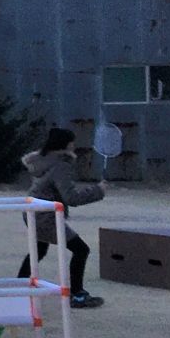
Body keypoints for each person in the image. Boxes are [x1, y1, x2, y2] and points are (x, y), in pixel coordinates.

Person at [19, 126, 104, 308]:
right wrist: (98, 190)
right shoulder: (61, 165)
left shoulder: (41, 161)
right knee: (81, 249)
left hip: (33, 211)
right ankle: (77, 294)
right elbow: (71, 197)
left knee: (39, 250)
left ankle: (18, 289)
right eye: (72, 142)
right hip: (46, 215)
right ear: (65, 144)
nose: (74, 145)